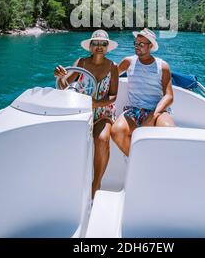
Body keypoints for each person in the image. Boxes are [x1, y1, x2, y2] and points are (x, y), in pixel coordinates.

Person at [54, 29, 119, 198]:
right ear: (90, 46)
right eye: (95, 43)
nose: (99, 46)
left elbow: (113, 96)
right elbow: (64, 86)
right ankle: (65, 181)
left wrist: (94, 104)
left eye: (103, 44)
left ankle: (96, 184)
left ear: (107, 47)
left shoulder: (113, 67)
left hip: (103, 113)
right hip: (80, 111)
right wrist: (60, 76)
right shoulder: (81, 63)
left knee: (103, 139)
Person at [111, 28, 175, 157]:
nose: (137, 46)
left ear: (150, 46)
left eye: (141, 44)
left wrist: (153, 115)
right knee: (116, 131)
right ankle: (137, 161)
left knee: (171, 133)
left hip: (157, 110)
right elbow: (110, 77)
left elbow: (169, 96)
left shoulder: (162, 66)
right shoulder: (128, 62)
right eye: (136, 43)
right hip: (134, 110)